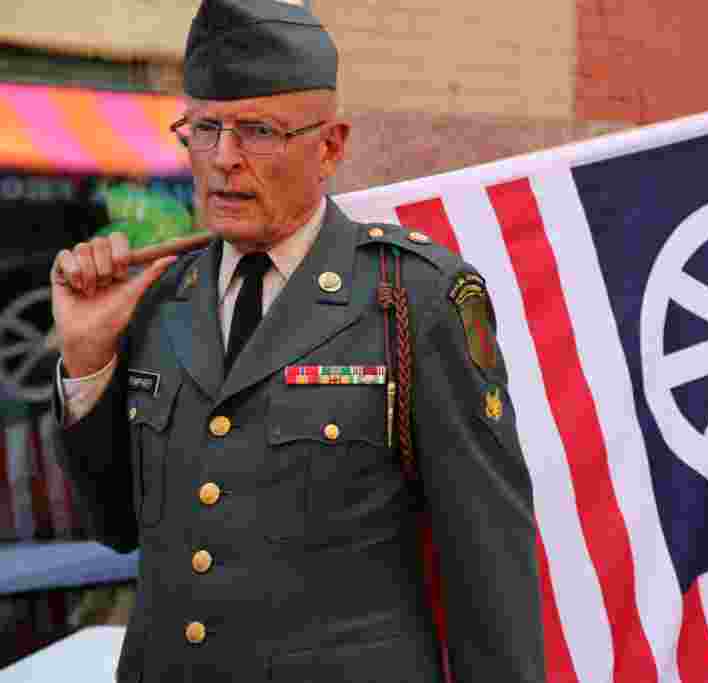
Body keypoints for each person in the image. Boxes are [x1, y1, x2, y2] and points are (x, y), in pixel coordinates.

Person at [49, 1, 546, 681]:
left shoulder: (415, 300)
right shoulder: (161, 296)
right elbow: (116, 528)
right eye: (205, 128)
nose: (224, 159)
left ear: (332, 145)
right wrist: (87, 360)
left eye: (257, 130)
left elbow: (490, 569)